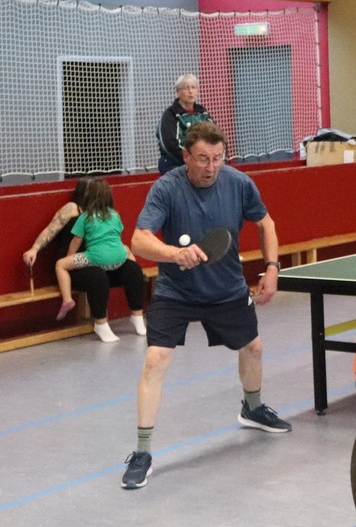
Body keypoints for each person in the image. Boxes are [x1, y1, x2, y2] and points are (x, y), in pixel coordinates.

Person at [121, 121, 290, 490]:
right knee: (155, 359)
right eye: (202, 159)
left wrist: (272, 267)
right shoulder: (166, 188)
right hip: (176, 291)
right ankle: (142, 452)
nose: (211, 167)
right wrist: (174, 254)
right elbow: (139, 240)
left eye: (217, 158)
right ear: (185, 156)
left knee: (253, 347)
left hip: (226, 288)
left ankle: (253, 408)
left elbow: (266, 224)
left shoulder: (239, 183)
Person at [23, 178, 147, 342]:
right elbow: (51, 230)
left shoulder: (107, 213)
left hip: (98, 259)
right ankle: (101, 323)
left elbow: (113, 238)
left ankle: (137, 315)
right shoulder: (73, 208)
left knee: (133, 270)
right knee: (97, 276)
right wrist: (35, 248)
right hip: (75, 262)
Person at [54, 180, 135, 321]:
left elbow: (76, 241)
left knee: (60, 264)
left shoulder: (85, 216)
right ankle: (136, 272)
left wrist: (69, 257)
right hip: (117, 258)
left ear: (88, 197)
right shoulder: (115, 215)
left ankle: (67, 299)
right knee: (127, 250)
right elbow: (118, 237)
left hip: (96, 258)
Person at [156, 73, 212, 175]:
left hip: (201, 162)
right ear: (178, 92)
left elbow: (215, 137)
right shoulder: (170, 115)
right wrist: (191, 160)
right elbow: (169, 145)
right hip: (175, 163)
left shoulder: (203, 113)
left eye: (193, 87)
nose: (190, 91)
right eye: (186, 88)